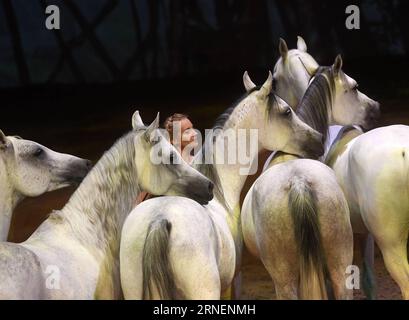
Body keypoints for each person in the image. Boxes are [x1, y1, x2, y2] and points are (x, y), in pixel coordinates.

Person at [134, 113, 198, 205]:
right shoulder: (164, 167)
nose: (195, 133)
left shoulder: (199, 162)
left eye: (192, 128)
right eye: (187, 131)